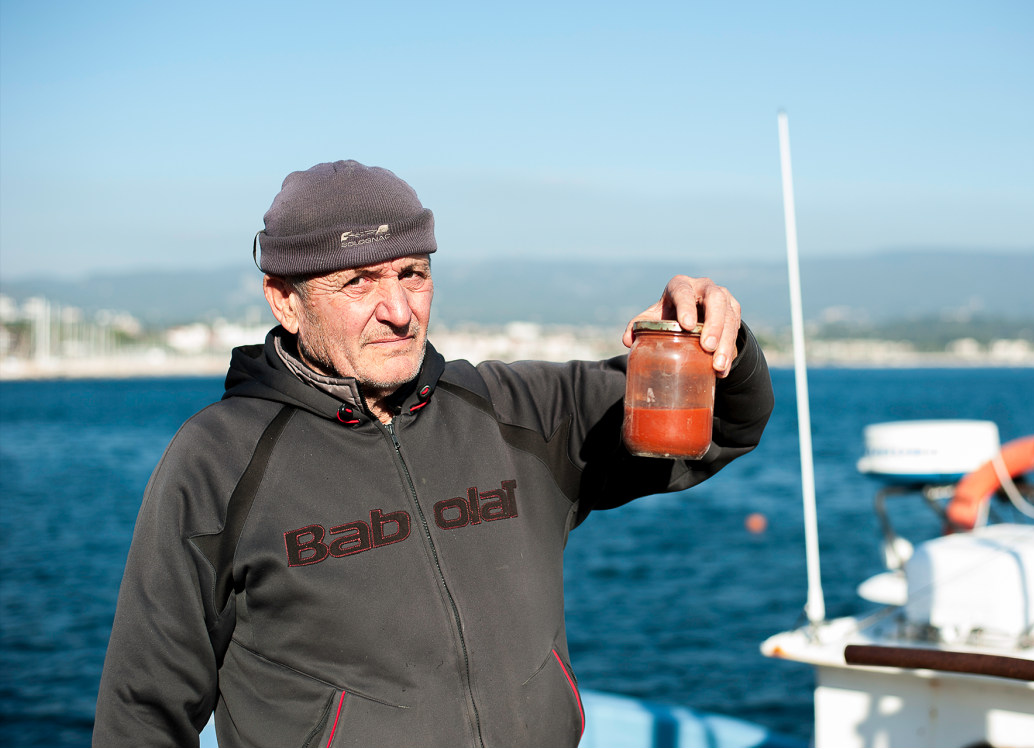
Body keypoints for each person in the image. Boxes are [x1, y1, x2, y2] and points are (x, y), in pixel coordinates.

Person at [93, 160, 774, 747]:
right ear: (286, 300)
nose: (398, 309)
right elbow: (143, 712)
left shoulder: (516, 412)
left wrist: (718, 343)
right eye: (358, 281)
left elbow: (727, 426)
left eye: (412, 273)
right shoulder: (218, 459)